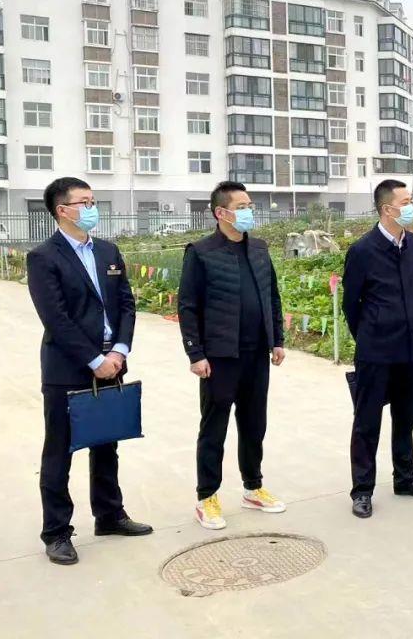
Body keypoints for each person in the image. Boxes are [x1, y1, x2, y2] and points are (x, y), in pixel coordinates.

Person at [26, 177, 153, 565]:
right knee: (60, 450)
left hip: (113, 362)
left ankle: (109, 515)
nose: (92, 208)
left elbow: (127, 304)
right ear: (62, 210)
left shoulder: (108, 251)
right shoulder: (44, 257)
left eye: (93, 200)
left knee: (106, 443)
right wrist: (94, 360)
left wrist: (119, 350)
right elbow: (56, 319)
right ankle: (56, 532)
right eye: (84, 202)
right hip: (68, 368)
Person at [178, 181, 287, 530]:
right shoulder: (201, 252)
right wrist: (195, 353)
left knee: (254, 424)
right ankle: (207, 497)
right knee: (214, 427)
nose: (249, 212)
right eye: (241, 207)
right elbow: (188, 305)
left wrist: (277, 339)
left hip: (257, 354)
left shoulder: (259, 248)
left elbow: (271, 296)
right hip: (220, 356)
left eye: (250, 206)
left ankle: (253, 487)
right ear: (221, 213)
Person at [343, 180, 413, 519]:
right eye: (406, 201)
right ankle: (362, 490)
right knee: (367, 421)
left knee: (406, 416)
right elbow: (351, 304)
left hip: (410, 345)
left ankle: (405, 478)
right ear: (387, 209)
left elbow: (412, 288)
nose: (412, 207)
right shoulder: (362, 250)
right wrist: (369, 334)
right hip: (376, 349)